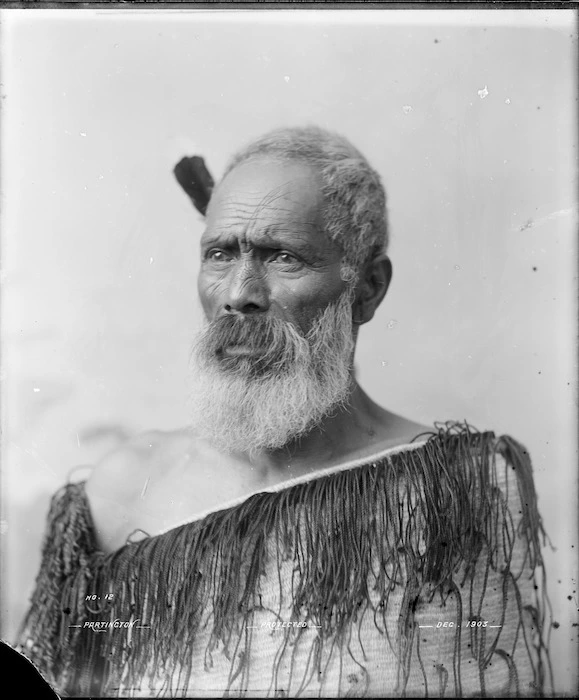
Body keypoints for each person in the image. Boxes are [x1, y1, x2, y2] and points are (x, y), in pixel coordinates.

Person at [16, 126, 552, 697]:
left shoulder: (463, 490)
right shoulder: (120, 489)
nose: (239, 292)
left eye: (284, 257)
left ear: (367, 289)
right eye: (220, 254)